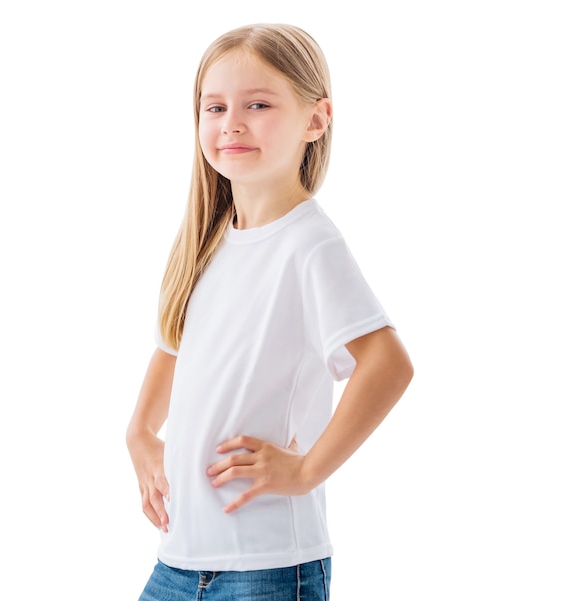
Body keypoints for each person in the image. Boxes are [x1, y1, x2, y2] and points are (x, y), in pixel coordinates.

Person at [126, 22, 413, 600]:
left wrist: (305, 472)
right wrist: (139, 433)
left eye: (257, 104)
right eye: (215, 107)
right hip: (180, 560)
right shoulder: (205, 244)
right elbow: (173, 346)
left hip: (269, 567)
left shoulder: (310, 245)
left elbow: (387, 364)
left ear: (315, 119)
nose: (231, 122)